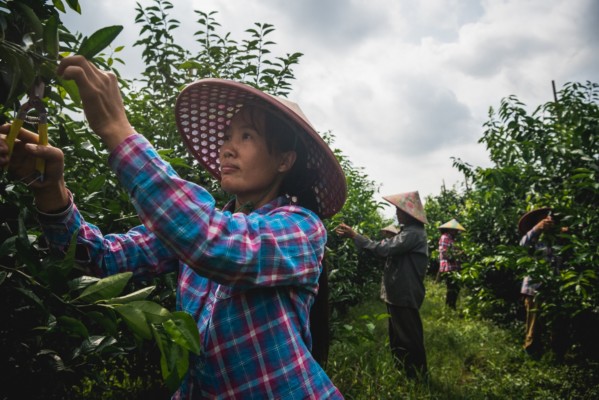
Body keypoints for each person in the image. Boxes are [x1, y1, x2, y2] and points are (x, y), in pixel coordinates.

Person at [0, 56, 347, 399]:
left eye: (246, 136)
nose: (227, 148)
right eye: (228, 136)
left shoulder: (302, 228)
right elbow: (100, 261)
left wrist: (118, 131)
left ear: (284, 160)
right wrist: (50, 190)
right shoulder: (201, 225)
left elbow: (215, 244)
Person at [335, 191, 428, 380]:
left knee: (409, 336)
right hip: (398, 293)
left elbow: (383, 249)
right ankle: (403, 371)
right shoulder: (407, 233)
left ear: (408, 214)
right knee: (398, 335)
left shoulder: (413, 234)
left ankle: (417, 376)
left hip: (404, 292)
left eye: (398, 210)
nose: (396, 214)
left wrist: (356, 236)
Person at [518, 207, 569, 359]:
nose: (547, 221)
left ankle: (557, 356)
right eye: (543, 219)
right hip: (534, 287)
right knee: (534, 325)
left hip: (555, 287)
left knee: (557, 323)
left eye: (549, 218)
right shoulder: (533, 238)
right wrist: (537, 229)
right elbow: (522, 245)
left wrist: (567, 235)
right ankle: (531, 354)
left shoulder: (557, 238)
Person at [437, 219, 466, 309]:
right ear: (450, 229)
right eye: (455, 230)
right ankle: (449, 307)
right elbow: (445, 254)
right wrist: (459, 254)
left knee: (455, 289)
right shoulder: (445, 237)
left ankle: (451, 307)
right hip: (449, 268)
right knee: (451, 289)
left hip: (454, 267)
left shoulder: (452, 239)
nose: (457, 231)